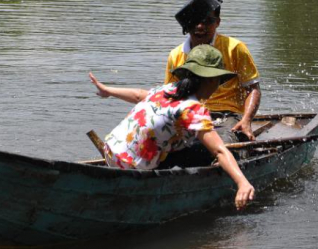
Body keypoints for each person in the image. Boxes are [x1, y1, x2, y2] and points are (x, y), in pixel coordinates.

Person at [89, 44, 255, 210]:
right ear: (211, 80)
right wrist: (242, 182)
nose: (218, 86)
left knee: (181, 138)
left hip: (111, 152)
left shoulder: (166, 90)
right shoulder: (193, 109)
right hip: (133, 168)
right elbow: (219, 151)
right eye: (219, 81)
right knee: (206, 150)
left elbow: (138, 95)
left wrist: (108, 90)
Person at [166, 0, 261, 141]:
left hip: (226, 115)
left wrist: (247, 120)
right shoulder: (176, 55)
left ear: (218, 22)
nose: (200, 26)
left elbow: (252, 88)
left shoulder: (234, 48)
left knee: (224, 144)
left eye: (207, 21)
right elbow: (171, 95)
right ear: (187, 24)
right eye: (195, 21)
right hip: (190, 113)